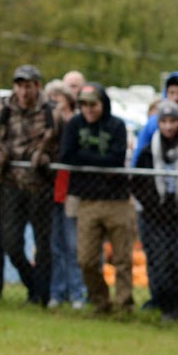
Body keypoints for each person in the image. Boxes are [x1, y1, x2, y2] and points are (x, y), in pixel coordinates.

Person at [0, 64, 60, 306]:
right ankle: (32, 283)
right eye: (19, 85)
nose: (23, 92)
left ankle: (41, 296)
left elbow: (61, 150)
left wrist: (47, 159)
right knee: (11, 242)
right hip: (10, 185)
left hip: (40, 186)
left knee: (42, 243)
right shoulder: (1, 111)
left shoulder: (52, 114)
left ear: (37, 86)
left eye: (28, 86)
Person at [61, 83, 133, 315]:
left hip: (117, 201)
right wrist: (97, 162)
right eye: (84, 105)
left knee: (122, 258)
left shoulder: (117, 126)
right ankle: (101, 302)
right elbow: (67, 155)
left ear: (103, 104)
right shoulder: (74, 124)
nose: (89, 109)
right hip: (88, 200)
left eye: (93, 104)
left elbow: (116, 158)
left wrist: (86, 161)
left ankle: (124, 305)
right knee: (86, 259)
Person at [131, 99, 178, 321]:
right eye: (164, 121)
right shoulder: (149, 151)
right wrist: (153, 204)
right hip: (156, 216)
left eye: (173, 121)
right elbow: (137, 183)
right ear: (158, 123)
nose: (168, 126)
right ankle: (169, 309)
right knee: (162, 263)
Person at [44, 81, 85, 309]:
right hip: (53, 191)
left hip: (73, 191)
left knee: (73, 245)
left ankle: (77, 292)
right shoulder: (48, 125)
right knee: (56, 245)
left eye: (59, 99)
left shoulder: (77, 124)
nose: (55, 104)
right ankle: (57, 292)